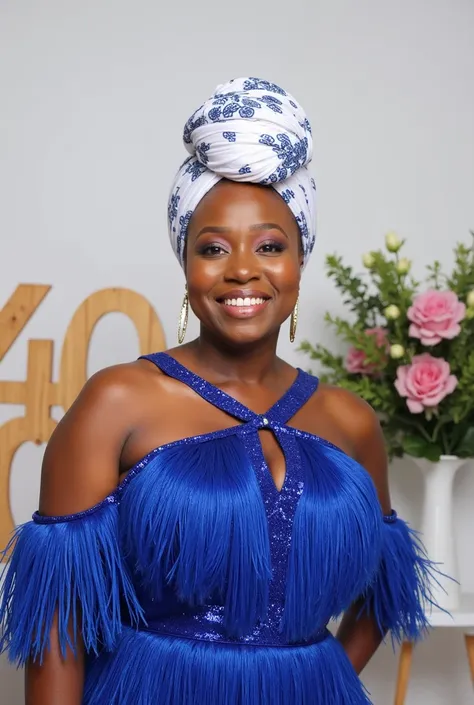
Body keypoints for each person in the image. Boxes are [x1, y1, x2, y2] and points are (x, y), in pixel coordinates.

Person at [0, 77, 437, 705]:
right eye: (212, 247)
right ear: (185, 263)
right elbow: (57, 629)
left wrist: (319, 677)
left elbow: (385, 588)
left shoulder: (350, 420)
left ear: (299, 261)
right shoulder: (117, 402)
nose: (241, 268)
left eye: (269, 245)